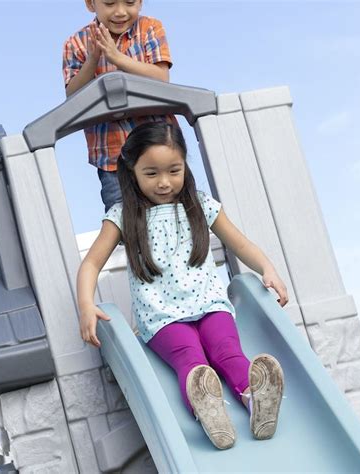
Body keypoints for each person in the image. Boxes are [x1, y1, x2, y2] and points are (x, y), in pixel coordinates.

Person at [77, 122, 288, 450]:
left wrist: (267, 268)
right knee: (191, 359)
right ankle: (209, 412)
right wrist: (86, 305)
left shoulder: (201, 205)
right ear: (132, 172)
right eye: (151, 174)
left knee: (227, 350)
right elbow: (91, 263)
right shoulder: (122, 216)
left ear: (185, 167)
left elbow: (240, 243)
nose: (164, 182)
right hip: (163, 318)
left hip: (210, 305)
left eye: (173, 170)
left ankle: (255, 399)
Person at [63, 0, 176, 212]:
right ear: (91, 4)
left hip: (160, 151)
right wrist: (94, 58)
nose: (120, 12)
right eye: (110, 3)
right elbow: (73, 96)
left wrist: (117, 58)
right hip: (112, 159)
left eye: (130, 2)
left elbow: (161, 78)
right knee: (124, 221)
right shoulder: (76, 43)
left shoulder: (150, 28)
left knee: (174, 212)